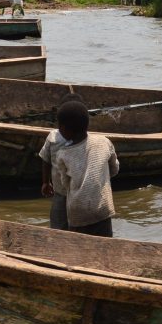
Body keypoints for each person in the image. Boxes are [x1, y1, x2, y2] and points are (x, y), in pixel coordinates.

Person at [39, 99, 120, 237]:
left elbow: (66, 184)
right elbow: (114, 168)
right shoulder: (104, 141)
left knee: (75, 243)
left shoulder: (63, 155)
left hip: (77, 212)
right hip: (102, 208)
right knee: (105, 244)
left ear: (64, 129)